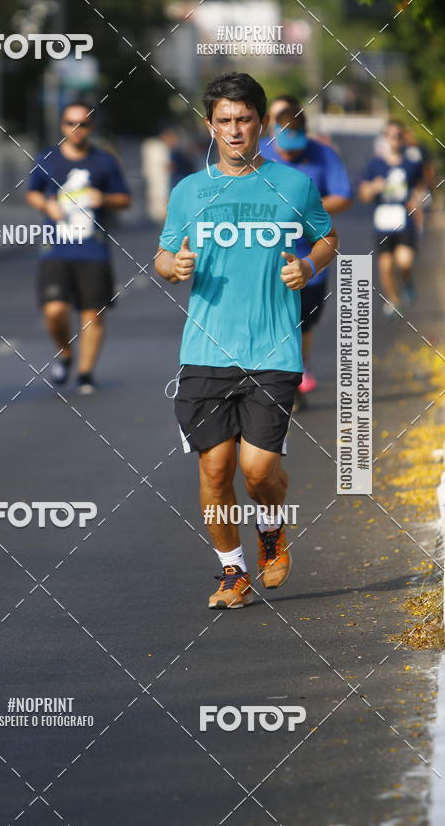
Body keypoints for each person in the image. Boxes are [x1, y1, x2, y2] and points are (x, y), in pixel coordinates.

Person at [155, 72, 339, 609]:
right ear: (209, 126)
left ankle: (272, 530)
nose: (235, 131)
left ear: (262, 123)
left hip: (274, 349)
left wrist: (308, 263)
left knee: (259, 473)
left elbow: (327, 236)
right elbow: (164, 256)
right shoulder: (190, 190)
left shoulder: (295, 185)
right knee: (215, 470)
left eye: (244, 120)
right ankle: (231, 574)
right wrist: (174, 266)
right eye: (224, 122)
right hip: (206, 351)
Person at [26, 102, 131, 394]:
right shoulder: (47, 158)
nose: (76, 129)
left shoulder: (104, 162)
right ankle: (65, 354)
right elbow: (32, 193)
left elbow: (125, 198)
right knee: (54, 311)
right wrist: (46, 204)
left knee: (92, 314)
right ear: (62, 126)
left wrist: (105, 199)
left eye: (82, 124)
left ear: (91, 128)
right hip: (56, 249)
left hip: (92, 249)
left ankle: (85, 372)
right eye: (70, 123)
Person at [261, 103, 352, 400]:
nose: (289, 155)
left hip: (308, 255)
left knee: (301, 323)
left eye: (295, 147)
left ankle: (297, 371)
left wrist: (304, 210)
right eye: (284, 148)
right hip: (264, 256)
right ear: (273, 132)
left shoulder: (323, 154)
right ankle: (276, 379)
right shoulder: (258, 153)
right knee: (270, 321)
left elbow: (344, 196)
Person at [359, 119, 424, 316]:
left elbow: (420, 188)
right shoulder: (375, 165)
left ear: (402, 139)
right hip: (383, 223)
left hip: (404, 220)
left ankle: (407, 282)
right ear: (384, 138)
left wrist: (418, 205)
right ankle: (393, 301)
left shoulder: (411, 164)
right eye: (390, 135)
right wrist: (373, 188)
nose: (394, 139)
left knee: (404, 262)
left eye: (397, 136)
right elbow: (363, 194)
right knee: (386, 266)